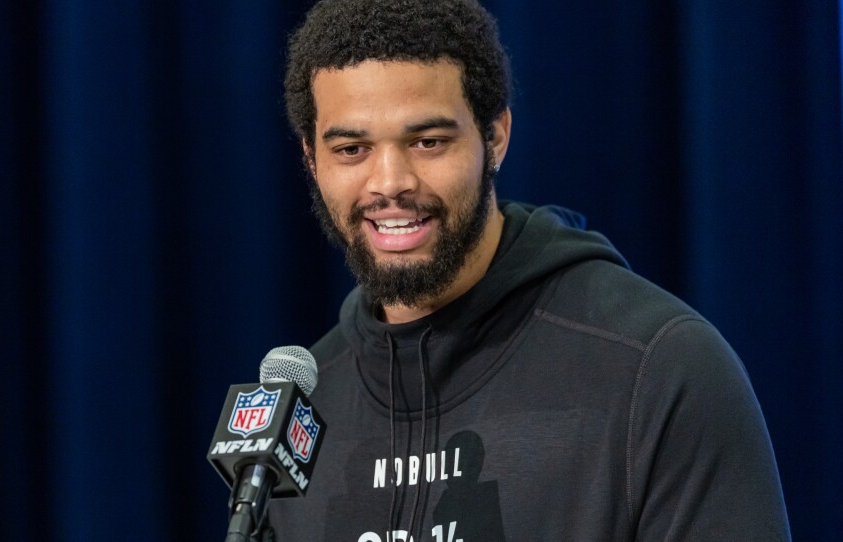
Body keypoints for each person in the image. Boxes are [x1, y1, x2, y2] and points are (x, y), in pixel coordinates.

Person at [268, 0, 790, 540]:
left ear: (495, 137)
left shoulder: (657, 369)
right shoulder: (302, 412)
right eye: (352, 149)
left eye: (428, 142)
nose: (389, 182)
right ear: (312, 159)